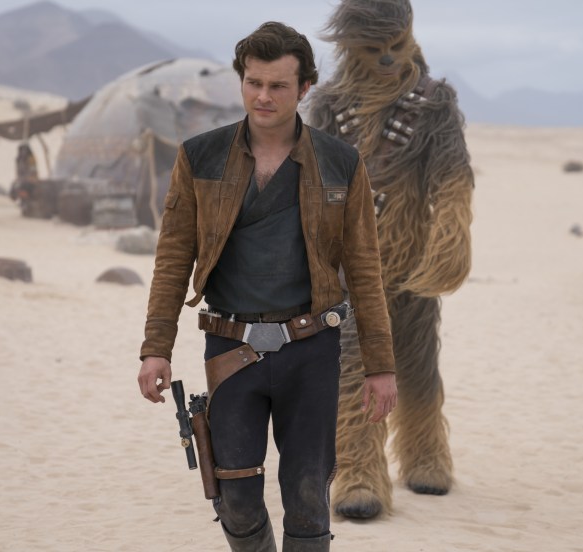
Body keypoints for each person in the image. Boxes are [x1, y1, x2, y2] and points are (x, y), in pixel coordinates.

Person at [137, 21, 397, 552]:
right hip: (231, 348)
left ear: (304, 88)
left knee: (307, 491)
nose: (263, 96)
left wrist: (381, 366)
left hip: (311, 347)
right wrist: (155, 348)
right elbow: (173, 259)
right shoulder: (200, 157)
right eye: (253, 82)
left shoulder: (341, 163)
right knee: (233, 496)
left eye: (278, 85)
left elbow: (365, 270)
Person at [305, 0, 475, 520]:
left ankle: (425, 452)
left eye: (395, 46)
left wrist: (451, 240)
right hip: (351, 271)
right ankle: (358, 471)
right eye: (372, 49)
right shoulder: (331, 106)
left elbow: (453, 178)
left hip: (413, 267)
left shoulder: (434, 102)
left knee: (420, 363)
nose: (386, 59)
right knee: (354, 364)